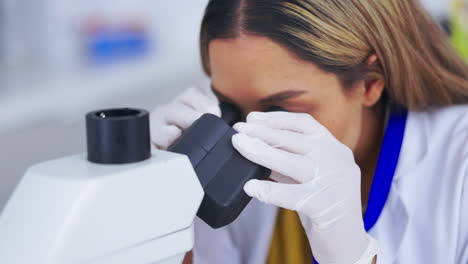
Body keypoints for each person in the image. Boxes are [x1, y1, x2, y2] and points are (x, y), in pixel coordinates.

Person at [150, 0, 468, 263]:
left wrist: (352, 256)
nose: (247, 138)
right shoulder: (232, 156)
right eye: (229, 106)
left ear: (370, 82)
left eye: (280, 110)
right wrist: (151, 203)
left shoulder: (459, 161)